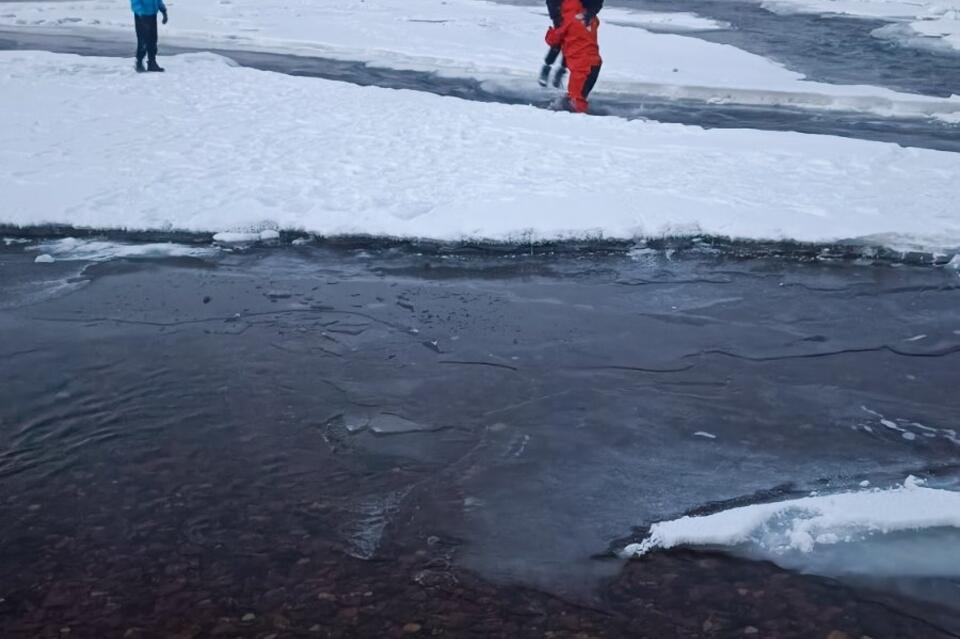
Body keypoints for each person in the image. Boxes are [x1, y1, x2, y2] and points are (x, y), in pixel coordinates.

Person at [544, 0, 603, 113]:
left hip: (581, 68)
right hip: (594, 64)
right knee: (576, 96)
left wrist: (551, 31)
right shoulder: (591, 18)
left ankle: (577, 123)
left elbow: (553, 40)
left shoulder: (567, 20)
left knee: (576, 101)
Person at [131, 0, 168, 73]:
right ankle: (139, 63)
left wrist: (163, 11)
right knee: (143, 40)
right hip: (141, 16)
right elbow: (135, 2)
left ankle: (152, 62)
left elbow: (158, 1)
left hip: (152, 15)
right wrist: (141, 13)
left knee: (153, 40)